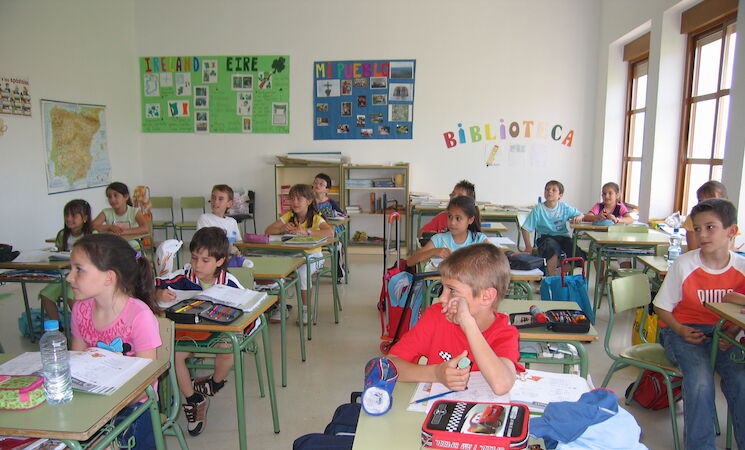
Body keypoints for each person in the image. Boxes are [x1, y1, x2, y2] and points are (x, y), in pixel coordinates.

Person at [653, 198, 745, 450]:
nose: (702, 234)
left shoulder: (741, 268)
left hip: (725, 335)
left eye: (710, 227)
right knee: (700, 381)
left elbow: (741, 313)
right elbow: (661, 307)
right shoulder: (684, 264)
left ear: (731, 231)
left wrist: (733, 330)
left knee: (741, 380)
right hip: (682, 331)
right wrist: (680, 329)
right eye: (697, 229)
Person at [389, 243, 522, 395]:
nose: (441, 297)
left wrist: (468, 323)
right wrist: (436, 373)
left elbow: (501, 385)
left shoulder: (504, 333)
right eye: (443, 288)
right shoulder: (437, 316)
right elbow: (390, 366)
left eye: (452, 290)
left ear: (486, 296)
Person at [154, 227, 251, 436]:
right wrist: (158, 292)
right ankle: (194, 399)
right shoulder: (183, 276)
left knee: (227, 348)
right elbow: (155, 285)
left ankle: (214, 383)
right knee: (175, 354)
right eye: (194, 258)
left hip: (218, 334)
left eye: (205, 260)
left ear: (220, 261)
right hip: (190, 334)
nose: (197, 265)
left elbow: (247, 309)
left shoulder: (229, 283)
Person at [67, 234, 161, 449]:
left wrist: (104, 406)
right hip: (94, 400)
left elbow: (145, 384)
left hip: (134, 406)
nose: (69, 277)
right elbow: (76, 364)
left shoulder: (139, 316)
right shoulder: (80, 309)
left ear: (109, 277)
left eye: (79, 270)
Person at [265, 184, 334, 324]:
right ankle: (281, 307)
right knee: (277, 270)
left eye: (299, 199)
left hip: (313, 257)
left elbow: (330, 233)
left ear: (309, 201)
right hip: (293, 255)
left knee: (303, 273)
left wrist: (307, 232)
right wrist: (282, 229)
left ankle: (305, 310)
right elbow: (268, 230)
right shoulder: (289, 216)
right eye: (292, 199)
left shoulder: (316, 218)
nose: (294, 202)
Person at [40, 199, 94, 322]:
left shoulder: (91, 235)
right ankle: (57, 327)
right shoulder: (62, 234)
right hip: (64, 276)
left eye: (74, 215)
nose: (69, 219)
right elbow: (58, 255)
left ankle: (83, 326)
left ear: (85, 218)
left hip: (83, 277)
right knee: (45, 296)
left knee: (71, 297)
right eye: (66, 215)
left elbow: (95, 259)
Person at [520, 180, 584, 276]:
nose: (549, 192)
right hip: (546, 237)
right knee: (552, 249)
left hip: (563, 237)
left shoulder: (564, 207)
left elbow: (581, 214)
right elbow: (525, 228)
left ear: (560, 195)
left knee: (579, 255)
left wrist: (579, 217)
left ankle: (558, 270)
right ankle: (551, 277)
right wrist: (528, 246)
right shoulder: (538, 209)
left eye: (554, 190)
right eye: (547, 189)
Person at [407, 196, 488, 269]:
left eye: (458, 218)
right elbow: (410, 262)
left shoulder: (479, 239)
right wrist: (433, 251)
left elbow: (494, 263)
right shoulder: (439, 239)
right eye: (450, 216)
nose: (452, 222)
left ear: (470, 220)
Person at [91, 182, 149, 250]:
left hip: (131, 242)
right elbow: (92, 226)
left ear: (126, 197)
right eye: (109, 197)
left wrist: (122, 232)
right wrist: (109, 226)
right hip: (113, 243)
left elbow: (145, 228)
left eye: (115, 195)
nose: (112, 199)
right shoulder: (106, 212)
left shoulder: (134, 212)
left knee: (132, 245)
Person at [684, 180, 728, 251]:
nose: (704, 205)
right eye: (700, 201)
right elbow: (693, 249)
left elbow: (728, 247)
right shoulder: (693, 218)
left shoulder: (728, 218)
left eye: (710, 201)